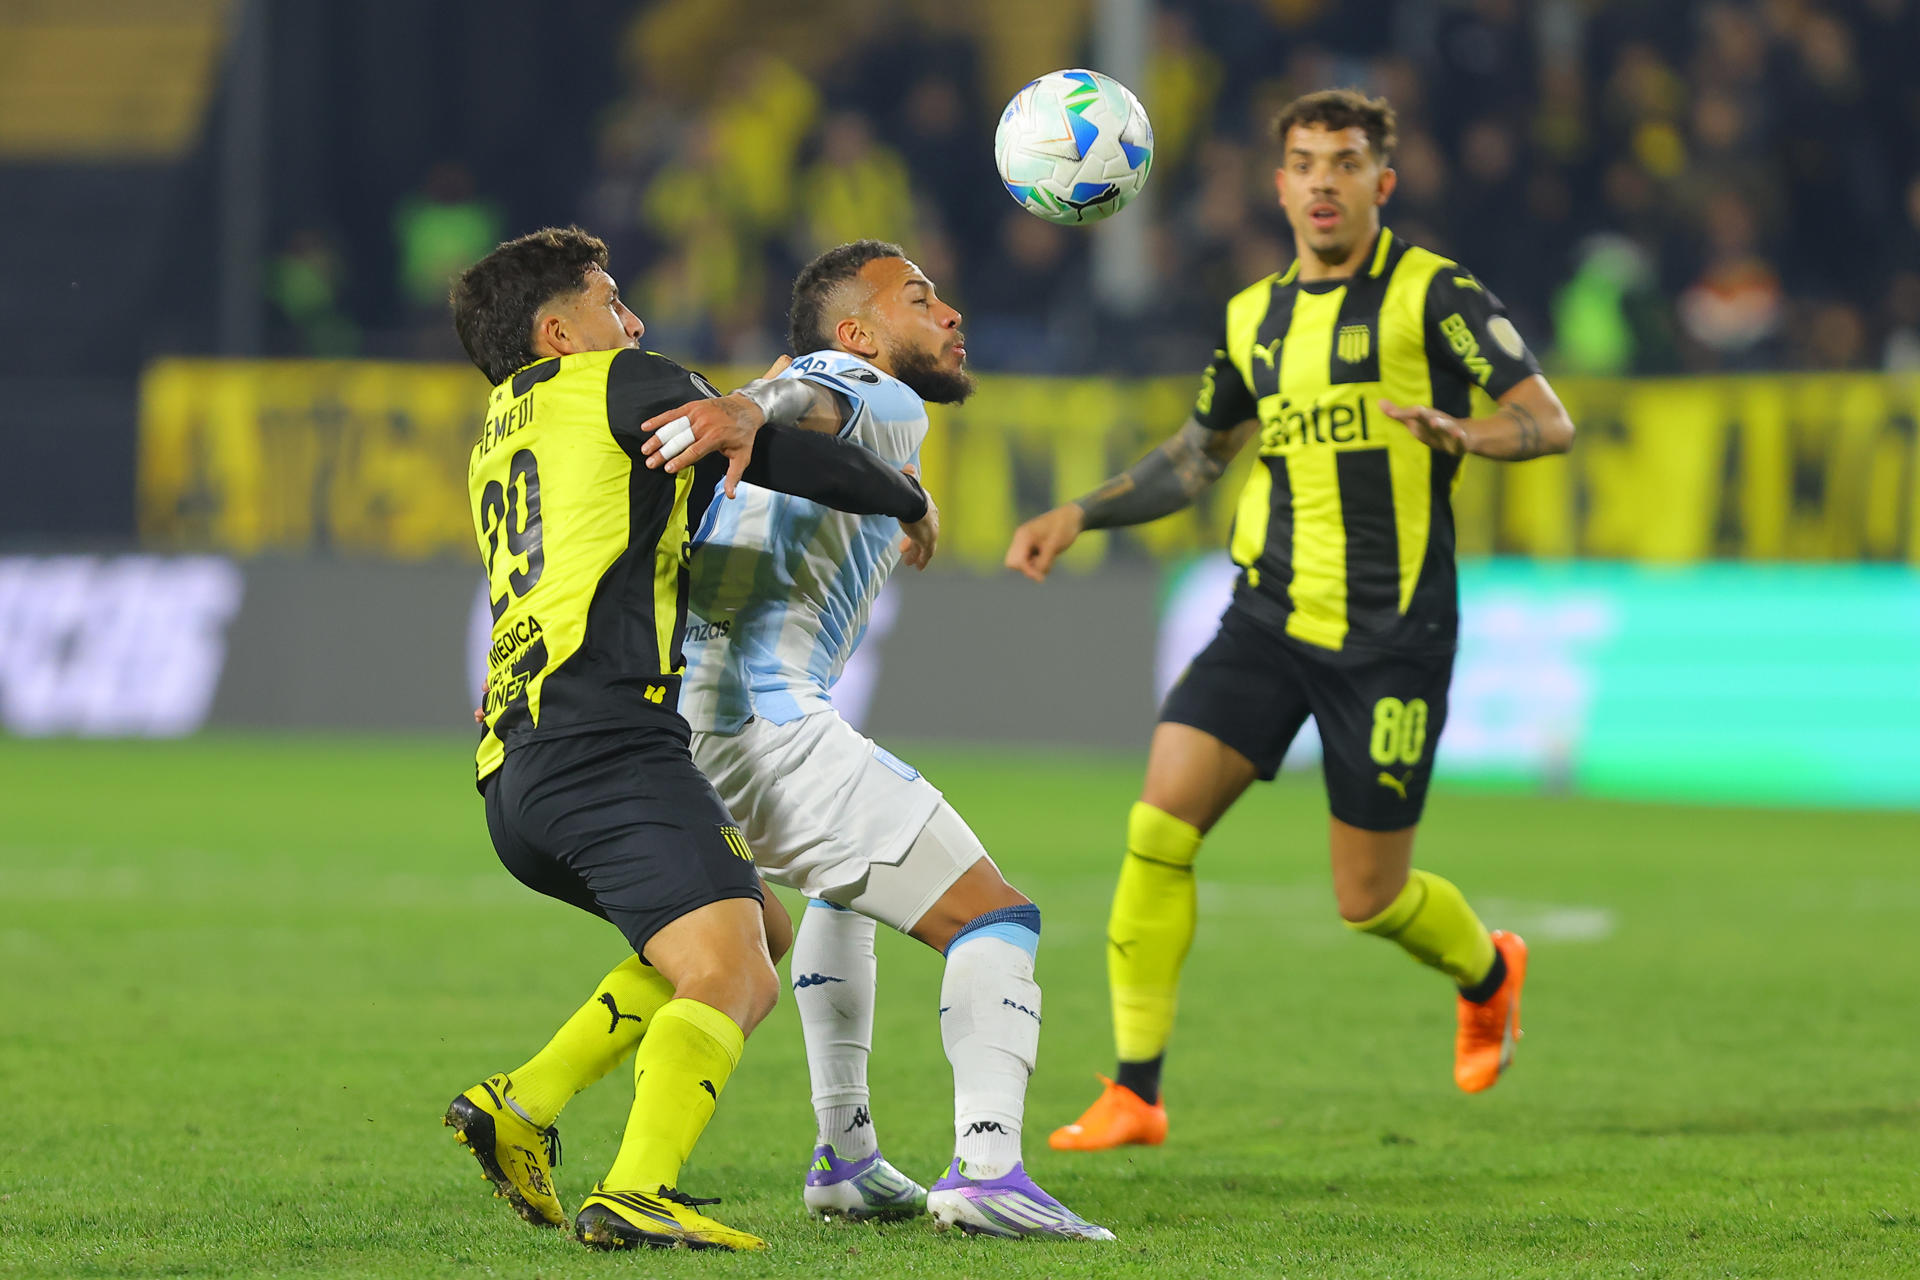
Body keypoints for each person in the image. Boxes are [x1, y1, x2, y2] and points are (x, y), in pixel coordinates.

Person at [1003, 90, 1575, 1151]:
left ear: (1380, 183)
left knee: (1370, 898)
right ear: (1278, 185)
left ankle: (1490, 970)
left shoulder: (1431, 295)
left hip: (1390, 634)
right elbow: (1196, 455)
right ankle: (1136, 1088)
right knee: (1159, 821)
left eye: (1345, 162)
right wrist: (1079, 512)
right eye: (1305, 162)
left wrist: (1465, 429)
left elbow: (1549, 419)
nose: (1323, 180)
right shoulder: (1251, 317)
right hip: (1266, 615)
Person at [441, 226, 934, 1252]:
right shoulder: (623, 382)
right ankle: (637, 1186)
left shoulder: (499, 428)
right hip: (610, 746)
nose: (634, 321)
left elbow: (692, 497)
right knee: (738, 970)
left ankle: (521, 1102)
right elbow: (779, 448)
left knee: (759, 925)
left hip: (518, 771)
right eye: (611, 301)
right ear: (558, 330)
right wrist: (904, 496)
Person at [639, 239, 1114, 1241]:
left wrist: (876, 477)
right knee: (996, 919)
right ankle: (988, 1164)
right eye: (920, 298)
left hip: (691, 731)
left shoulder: (793, 408)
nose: (949, 314)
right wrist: (774, 405)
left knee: (841, 895)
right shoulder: (871, 387)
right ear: (859, 330)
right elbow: (818, 392)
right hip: (772, 727)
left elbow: (786, 395)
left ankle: (846, 1155)